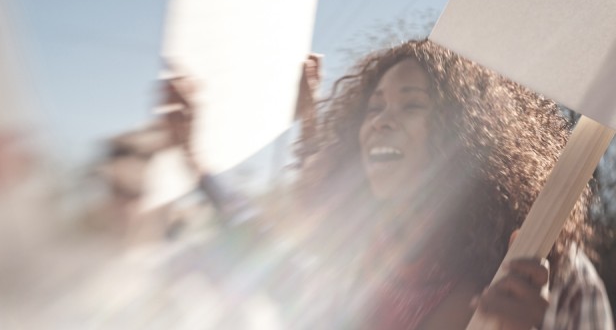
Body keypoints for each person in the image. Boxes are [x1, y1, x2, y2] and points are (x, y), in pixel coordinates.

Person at [164, 39, 613, 329]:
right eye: (373, 107)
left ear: (466, 137)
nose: (380, 121)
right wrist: (193, 159)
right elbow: (256, 240)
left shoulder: (543, 269)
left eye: (411, 105)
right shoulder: (344, 266)